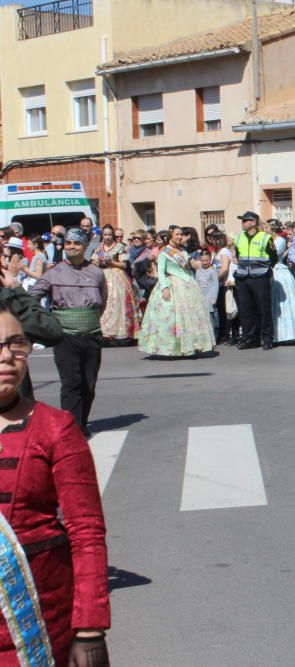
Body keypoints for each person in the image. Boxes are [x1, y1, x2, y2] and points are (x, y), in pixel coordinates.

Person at [0, 304, 110, 666]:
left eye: (17, 345)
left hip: (37, 628)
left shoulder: (54, 428)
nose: (8, 357)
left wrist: (90, 628)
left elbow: (87, 531)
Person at [28, 228, 106, 435]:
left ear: (85, 246)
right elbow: (33, 296)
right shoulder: (54, 272)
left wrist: (90, 320)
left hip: (92, 334)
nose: (71, 246)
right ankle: (73, 429)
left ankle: (82, 422)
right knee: (71, 383)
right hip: (65, 337)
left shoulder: (97, 273)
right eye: (69, 243)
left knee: (88, 384)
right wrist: (44, 322)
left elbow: (102, 302)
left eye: (76, 243)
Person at [138, 227, 216, 358]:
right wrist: (165, 288)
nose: (180, 237)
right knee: (170, 317)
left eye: (181, 234)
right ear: (171, 236)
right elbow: (161, 272)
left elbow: (188, 268)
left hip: (187, 284)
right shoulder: (164, 252)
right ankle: (171, 347)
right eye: (177, 234)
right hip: (171, 284)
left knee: (189, 317)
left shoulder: (183, 251)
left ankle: (191, 345)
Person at [232, 212, 277, 350]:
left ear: (253, 222)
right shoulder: (239, 238)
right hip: (244, 277)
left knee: (264, 309)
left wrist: (263, 269)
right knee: (246, 310)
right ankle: (250, 338)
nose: (243, 223)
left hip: (260, 278)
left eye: (245, 220)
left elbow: (273, 257)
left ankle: (267, 338)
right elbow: (238, 255)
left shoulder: (265, 237)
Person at [91, 224, 140, 345]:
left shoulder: (120, 247)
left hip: (116, 276)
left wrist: (111, 262)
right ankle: (104, 332)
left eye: (109, 235)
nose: (107, 237)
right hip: (102, 276)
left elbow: (124, 265)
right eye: (105, 235)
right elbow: (93, 262)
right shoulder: (98, 247)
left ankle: (120, 332)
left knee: (117, 302)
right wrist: (97, 262)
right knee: (103, 303)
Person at [268, 226, 295, 345]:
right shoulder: (270, 240)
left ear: (273, 230)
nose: (264, 230)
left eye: (266, 227)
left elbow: (275, 255)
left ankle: (292, 333)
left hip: (280, 271)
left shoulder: (279, 241)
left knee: (285, 301)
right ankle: (277, 333)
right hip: (274, 270)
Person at [196, 252, 220, 334]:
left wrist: (214, 298)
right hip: (201, 297)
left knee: (211, 318)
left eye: (206, 260)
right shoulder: (198, 271)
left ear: (210, 260)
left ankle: (214, 336)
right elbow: (196, 284)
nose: (204, 262)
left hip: (210, 298)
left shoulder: (213, 271)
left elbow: (216, 285)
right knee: (203, 318)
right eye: (202, 260)